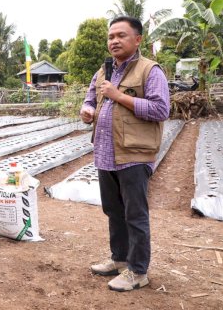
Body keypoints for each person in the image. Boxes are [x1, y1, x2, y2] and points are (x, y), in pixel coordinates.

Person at [79, 16, 170, 292]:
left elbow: (160, 110)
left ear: (138, 39)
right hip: (106, 155)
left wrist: (119, 96)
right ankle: (120, 260)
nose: (114, 41)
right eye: (111, 37)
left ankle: (138, 271)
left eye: (121, 35)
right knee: (113, 211)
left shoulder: (150, 71)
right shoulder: (103, 71)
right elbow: (91, 98)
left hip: (134, 155)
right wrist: (87, 110)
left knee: (135, 214)